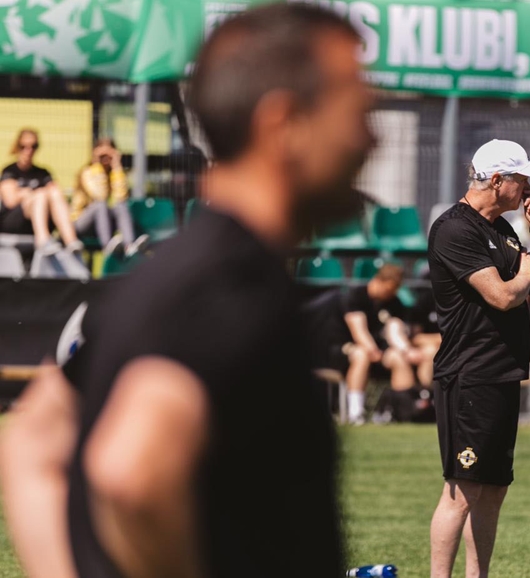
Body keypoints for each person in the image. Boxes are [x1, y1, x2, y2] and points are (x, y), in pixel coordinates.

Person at [0, 5, 373, 577]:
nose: (369, 140)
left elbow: (31, 441)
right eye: (355, 113)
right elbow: (131, 472)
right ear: (283, 124)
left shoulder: (172, 275)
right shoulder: (228, 289)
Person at [428, 139, 530, 578]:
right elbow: (504, 296)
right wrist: (523, 271)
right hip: (469, 375)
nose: (528, 187)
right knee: (461, 493)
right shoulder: (454, 229)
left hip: (501, 373)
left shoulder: (503, 228)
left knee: (494, 489)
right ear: (497, 180)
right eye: (521, 179)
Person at [328, 263, 425, 424]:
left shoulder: (395, 303)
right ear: (378, 280)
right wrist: (371, 349)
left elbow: (396, 331)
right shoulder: (356, 295)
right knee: (362, 354)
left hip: (380, 351)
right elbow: (359, 332)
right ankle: (356, 413)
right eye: (388, 289)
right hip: (345, 348)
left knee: (398, 358)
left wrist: (402, 350)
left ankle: (401, 413)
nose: (390, 293)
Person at [0, 128, 82, 255]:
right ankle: (43, 241)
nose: (29, 150)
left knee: (52, 194)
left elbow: (57, 194)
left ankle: (71, 241)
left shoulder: (43, 173)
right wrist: (30, 194)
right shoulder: (9, 171)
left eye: (34, 146)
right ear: (17, 147)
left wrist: (26, 192)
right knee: (41, 195)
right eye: (24, 146)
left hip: (44, 217)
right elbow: (10, 201)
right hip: (15, 220)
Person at [72, 138, 149, 257]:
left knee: (121, 205)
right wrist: (97, 164)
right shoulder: (87, 172)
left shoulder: (114, 173)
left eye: (109, 154)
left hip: (104, 222)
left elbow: (121, 197)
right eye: (102, 155)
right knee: (100, 205)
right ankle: (107, 247)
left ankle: (130, 246)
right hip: (82, 223)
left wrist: (117, 166)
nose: (106, 158)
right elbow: (100, 195)